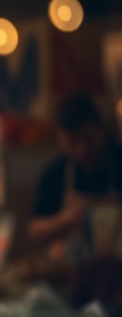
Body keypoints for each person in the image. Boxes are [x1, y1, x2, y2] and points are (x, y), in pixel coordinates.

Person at [29, 93, 122, 260]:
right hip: (69, 271)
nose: (81, 149)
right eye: (72, 141)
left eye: (87, 139)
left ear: (99, 128)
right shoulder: (55, 173)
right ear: (59, 138)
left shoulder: (118, 159)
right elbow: (35, 230)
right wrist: (64, 220)